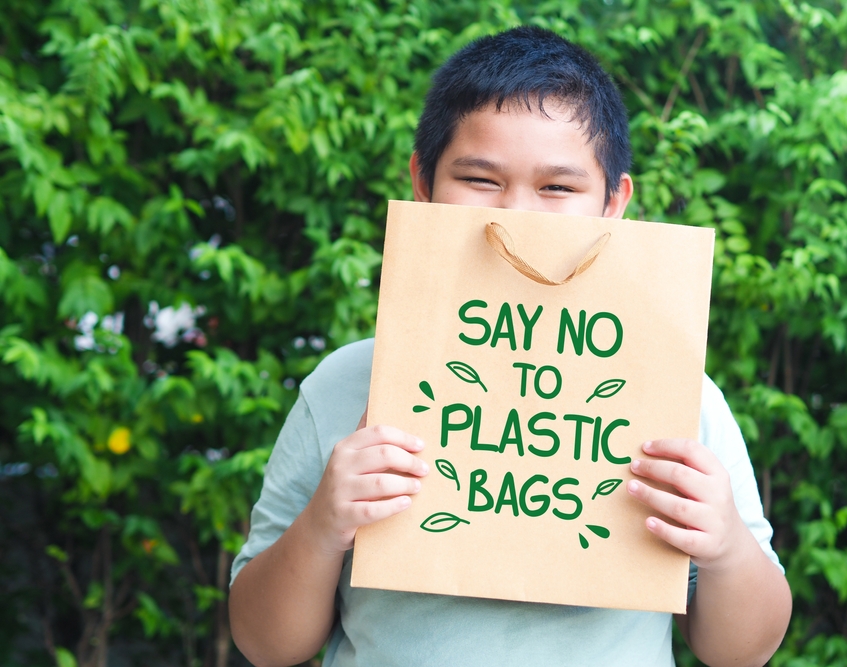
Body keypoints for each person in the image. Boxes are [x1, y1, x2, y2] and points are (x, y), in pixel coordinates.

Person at [228, 25, 791, 667]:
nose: (517, 216)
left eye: (558, 187)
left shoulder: (677, 395)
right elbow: (263, 642)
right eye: (479, 178)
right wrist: (324, 525)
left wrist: (724, 549)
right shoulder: (344, 385)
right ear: (423, 183)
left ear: (614, 203)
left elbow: (742, 652)